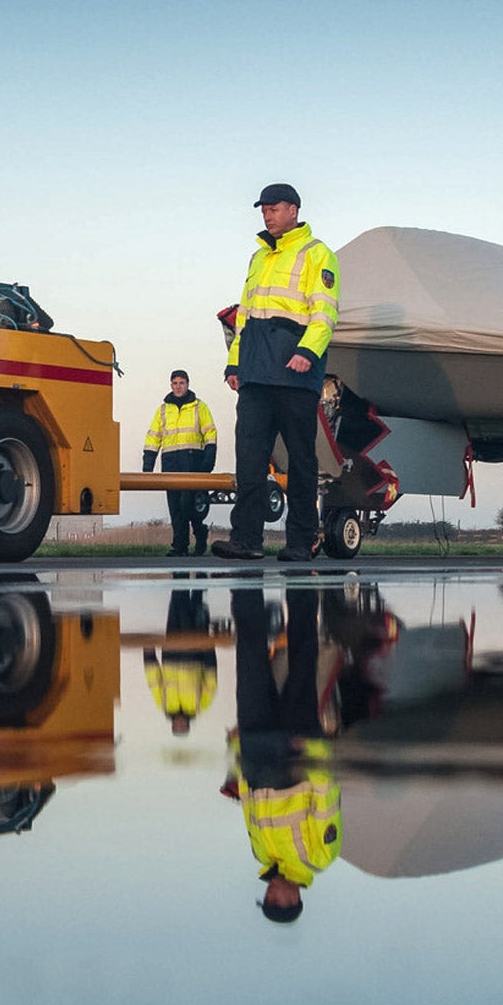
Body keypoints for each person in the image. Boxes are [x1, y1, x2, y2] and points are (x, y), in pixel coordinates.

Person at [212, 184, 340, 562]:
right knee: (249, 460)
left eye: (274, 208)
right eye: (263, 209)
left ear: (294, 210)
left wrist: (306, 351)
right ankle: (246, 540)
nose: (267, 215)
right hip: (255, 375)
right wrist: (235, 363)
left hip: (295, 373)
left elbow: (325, 314)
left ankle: (301, 542)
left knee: (301, 460)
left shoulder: (318, 254)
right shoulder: (258, 258)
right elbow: (245, 319)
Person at [228, 585, 338, 921]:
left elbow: (248, 802)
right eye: (274, 899)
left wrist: (236, 749)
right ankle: (303, 584)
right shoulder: (318, 857)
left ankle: (246, 584)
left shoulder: (261, 855)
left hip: (257, 748)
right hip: (295, 752)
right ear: (292, 900)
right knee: (303, 656)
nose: (269, 893)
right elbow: (326, 797)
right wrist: (314, 751)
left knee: (248, 656)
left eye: (267, 898)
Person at [142, 370, 218, 556]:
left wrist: (209, 460)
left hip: (193, 462)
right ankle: (179, 546)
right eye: (175, 383)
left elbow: (210, 433)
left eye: (181, 383)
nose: (178, 386)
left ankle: (200, 533)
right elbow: (153, 437)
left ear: (187, 384)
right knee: (175, 507)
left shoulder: (199, 407)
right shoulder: (162, 410)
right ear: (171, 385)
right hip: (170, 462)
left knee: (188, 505)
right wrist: (147, 465)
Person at [143, 588, 219, 735]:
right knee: (190, 615)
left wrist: (149, 655)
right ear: (188, 725)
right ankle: (194, 578)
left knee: (175, 612)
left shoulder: (164, 705)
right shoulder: (199, 706)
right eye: (182, 726)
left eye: (176, 726)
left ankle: (181, 576)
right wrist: (210, 652)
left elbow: (153, 681)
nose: (179, 723)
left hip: (170, 656)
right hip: (193, 657)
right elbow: (211, 681)